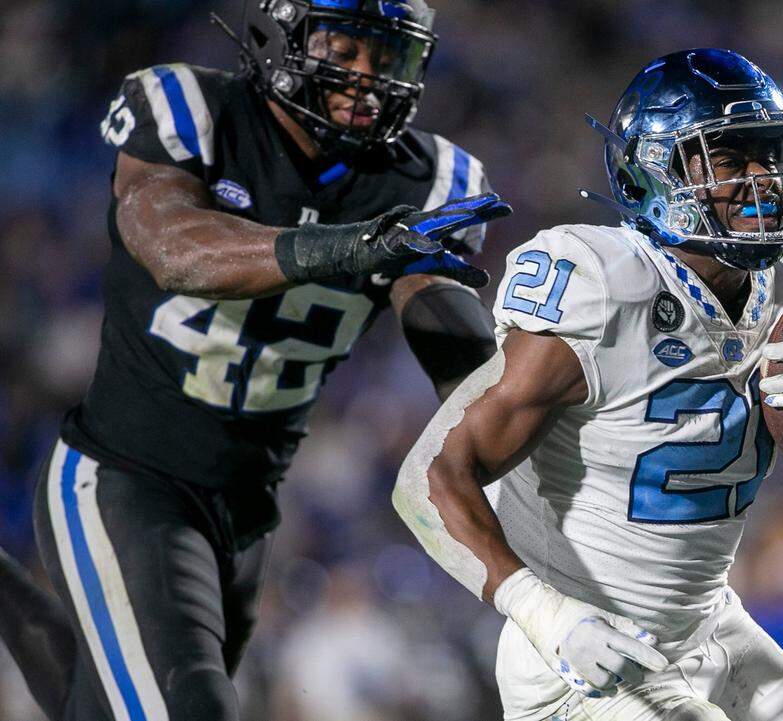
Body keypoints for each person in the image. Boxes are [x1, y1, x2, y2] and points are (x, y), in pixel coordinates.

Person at [0, 1, 511, 720]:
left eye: (387, 58)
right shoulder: (194, 110)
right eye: (345, 48)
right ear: (281, 32)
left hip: (247, 514)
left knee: (104, 707)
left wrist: (504, 397)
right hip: (125, 476)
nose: (366, 79)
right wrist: (344, 247)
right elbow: (172, 247)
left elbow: (453, 346)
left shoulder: (428, 180)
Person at [393, 48, 783, 721]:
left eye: (769, 154)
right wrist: (550, 617)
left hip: (711, 630)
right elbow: (428, 479)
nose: (762, 179)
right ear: (652, 169)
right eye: (731, 159)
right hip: (580, 656)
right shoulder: (601, 287)